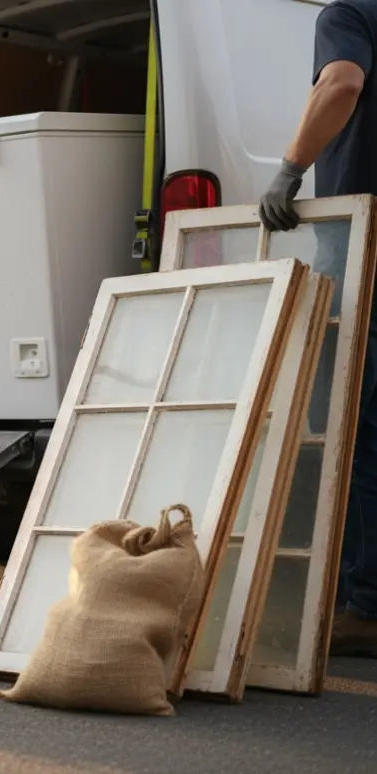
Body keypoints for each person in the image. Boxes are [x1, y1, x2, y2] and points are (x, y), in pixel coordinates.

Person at [261, 0, 377, 657]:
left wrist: (290, 167)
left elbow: (341, 83)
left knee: (351, 414)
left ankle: (365, 602)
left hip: (366, 234)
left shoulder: (350, 12)